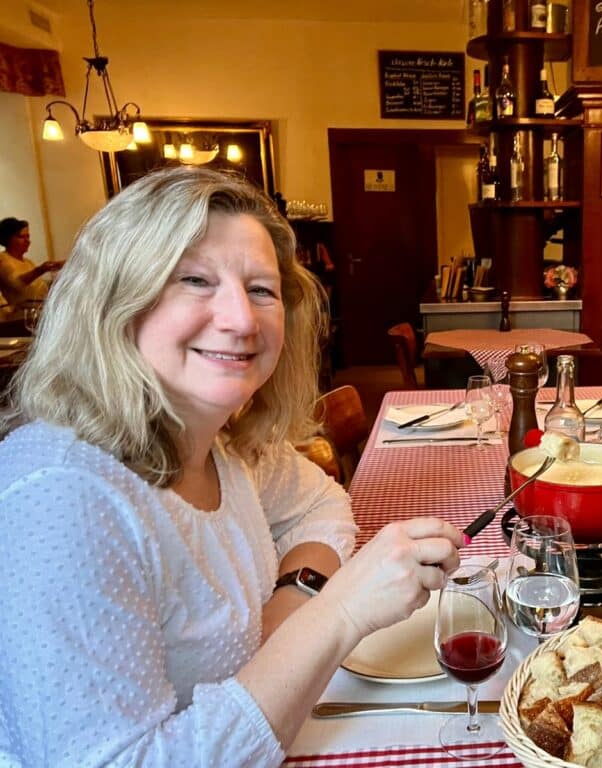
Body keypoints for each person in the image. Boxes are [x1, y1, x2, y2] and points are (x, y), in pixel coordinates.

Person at [0, 167, 464, 766]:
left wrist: (290, 610)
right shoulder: (61, 495)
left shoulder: (219, 441)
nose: (242, 320)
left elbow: (321, 505)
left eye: (262, 290)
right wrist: (339, 613)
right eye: (194, 280)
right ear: (115, 298)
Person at [0, 217, 62, 315]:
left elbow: (38, 288)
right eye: (21, 237)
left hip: (37, 315)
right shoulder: (3, 259)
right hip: (17, 319)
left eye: (28, 236)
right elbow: (16, 283)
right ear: (8, 239)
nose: (27, 241)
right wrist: (40, 270)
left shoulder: (28, 262)